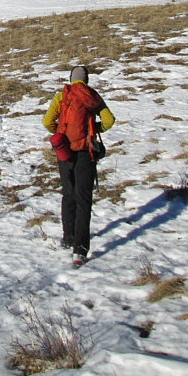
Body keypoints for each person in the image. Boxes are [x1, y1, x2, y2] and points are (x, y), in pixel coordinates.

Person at [42, 65, 115, 267]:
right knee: (84, 199)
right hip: (86, 152)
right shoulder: (92, 97)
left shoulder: (61, 96)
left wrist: (60, 131)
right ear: (87, 80)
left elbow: (46, 121)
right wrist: (94, 128)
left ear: (71, 78)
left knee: (68, 193)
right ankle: (80, 250)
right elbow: (110, 121)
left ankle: (68, 237)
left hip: (65, 151)